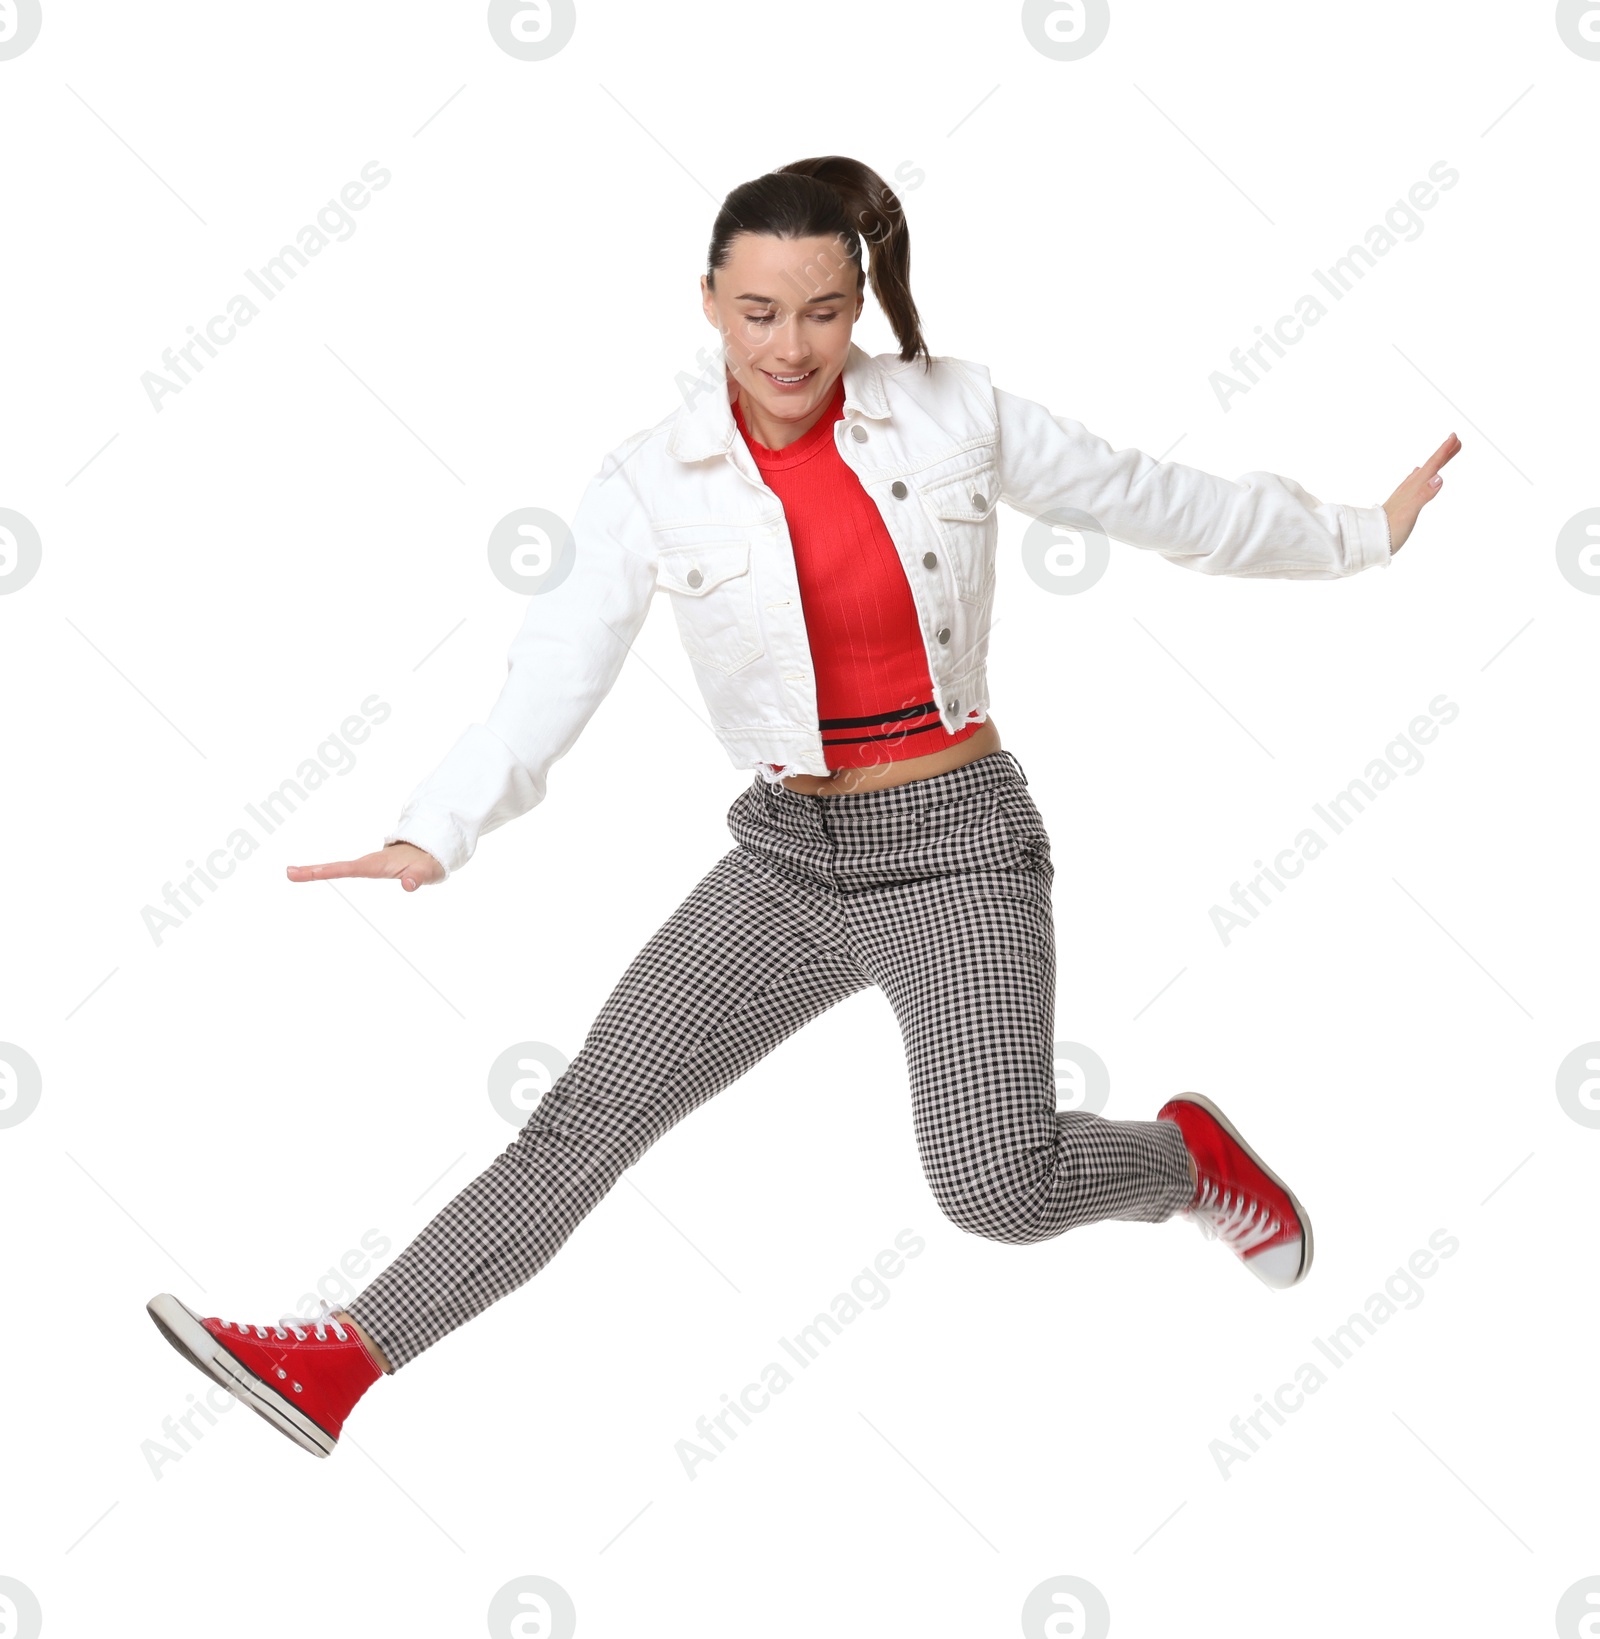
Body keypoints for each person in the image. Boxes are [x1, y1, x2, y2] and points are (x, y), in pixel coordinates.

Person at [146, 155, 1460, 1459]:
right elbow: (552, 672)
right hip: (787, 862)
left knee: (998, 1190)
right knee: (585, 1118)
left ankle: (1184, 1164)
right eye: (761, 311)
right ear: (710, 301)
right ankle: (344, 1359)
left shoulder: (956, 412)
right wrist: (436, 828)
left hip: (959, 855)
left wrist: (1360, 533)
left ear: (861, 302)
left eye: (824, 311)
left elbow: (1155, 500)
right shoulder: (651, 480)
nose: (792, 345)